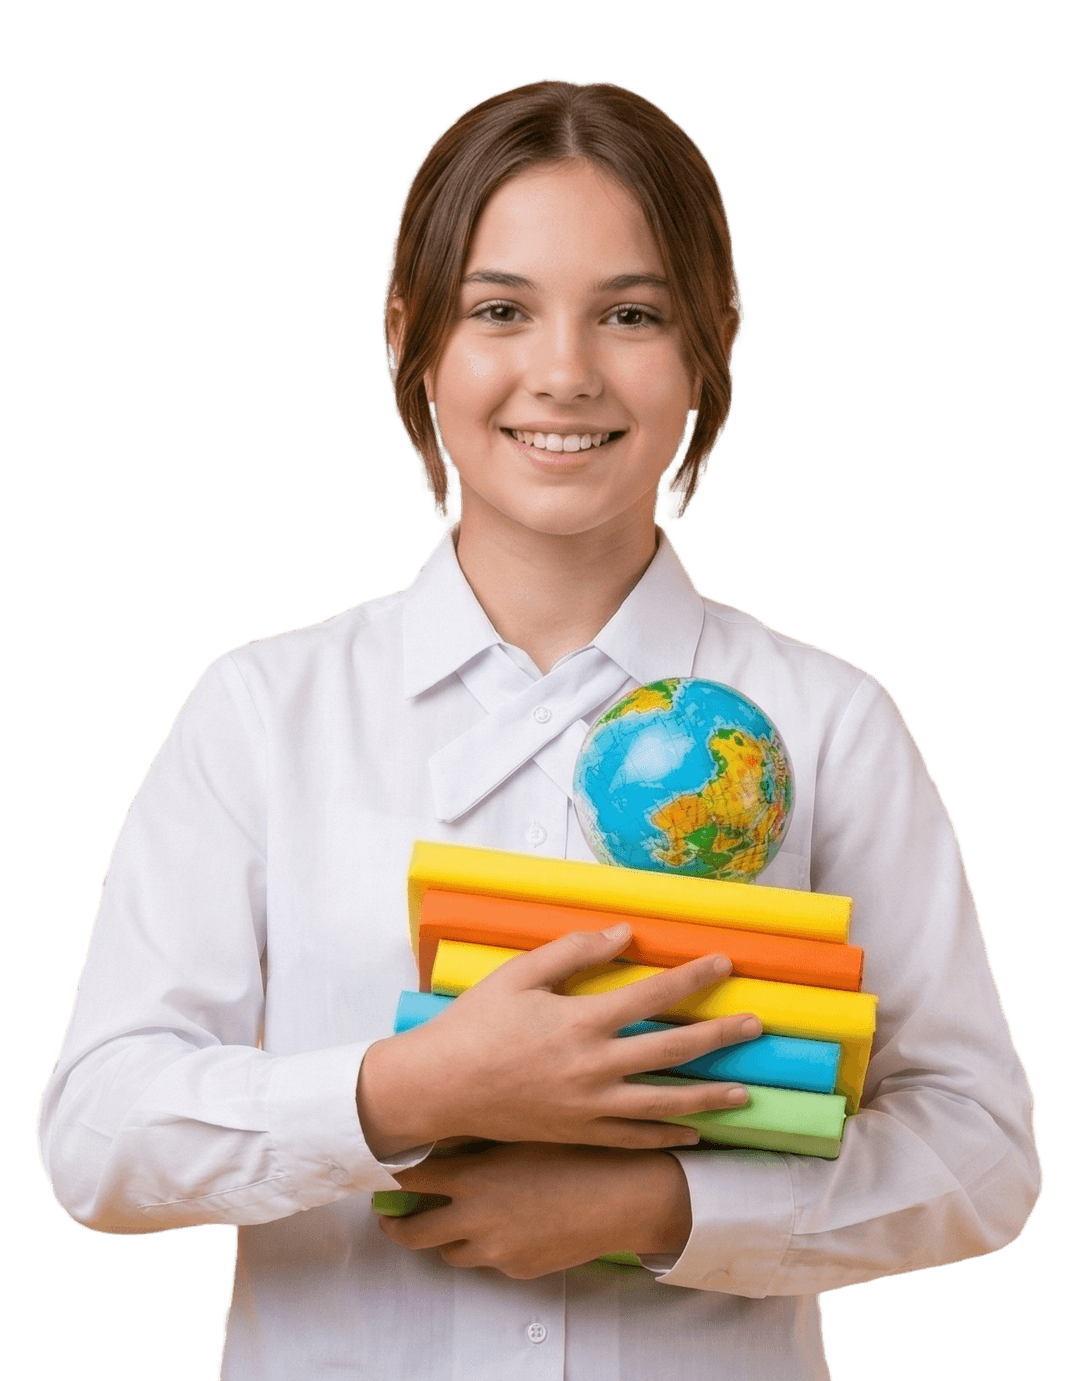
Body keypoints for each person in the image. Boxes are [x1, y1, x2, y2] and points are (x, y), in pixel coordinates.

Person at [37, 78, 1040, 1380]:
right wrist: (410, 1094)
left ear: (712, 342)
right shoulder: (264, 709)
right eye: (499, 310)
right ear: (413, 335)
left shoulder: (831, 720)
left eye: (632, 314)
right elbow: (98, 1142)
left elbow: (982, 1150)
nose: (562, 373)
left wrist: (663, 1211)